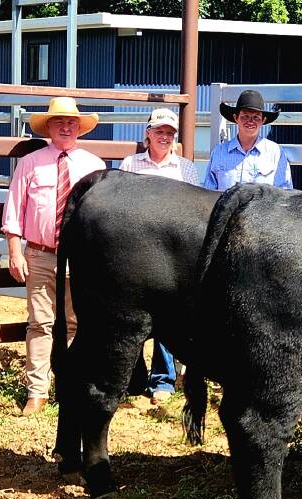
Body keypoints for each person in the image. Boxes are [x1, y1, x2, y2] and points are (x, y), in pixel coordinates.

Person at [2, 97, 105, 415]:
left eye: (71, 122)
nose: (66, 126)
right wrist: (15, 252)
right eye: (59, 121)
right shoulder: (30, 163)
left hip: (80, 257)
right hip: (41, 255)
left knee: (76, 323)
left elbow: (102, 217)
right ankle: (37, 391)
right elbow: (14, 210)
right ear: (48, 126)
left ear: (80, 128)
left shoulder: (94, 166)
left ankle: (70, 387)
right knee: (40, 323)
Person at [118, 108, 199, 404]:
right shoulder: (130, 164)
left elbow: (194, 213)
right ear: (148, 134)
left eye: (170, 133)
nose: (164, 137)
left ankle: (163, 380)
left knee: (167, 316)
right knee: (133, 314)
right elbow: (122, 207)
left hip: (171, 254)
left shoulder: (186, 168)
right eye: (159, 131)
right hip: (136, 250)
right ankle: (134, 377)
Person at [203, 89, 293, 191]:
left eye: (256, 117)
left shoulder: (275, 153)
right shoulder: (219, 152)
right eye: (245, 116)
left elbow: (284, 193)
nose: (250, 121)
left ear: (263, 120)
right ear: (236, 118)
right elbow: (208, 193)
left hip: (263, 207)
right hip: (227, 207)